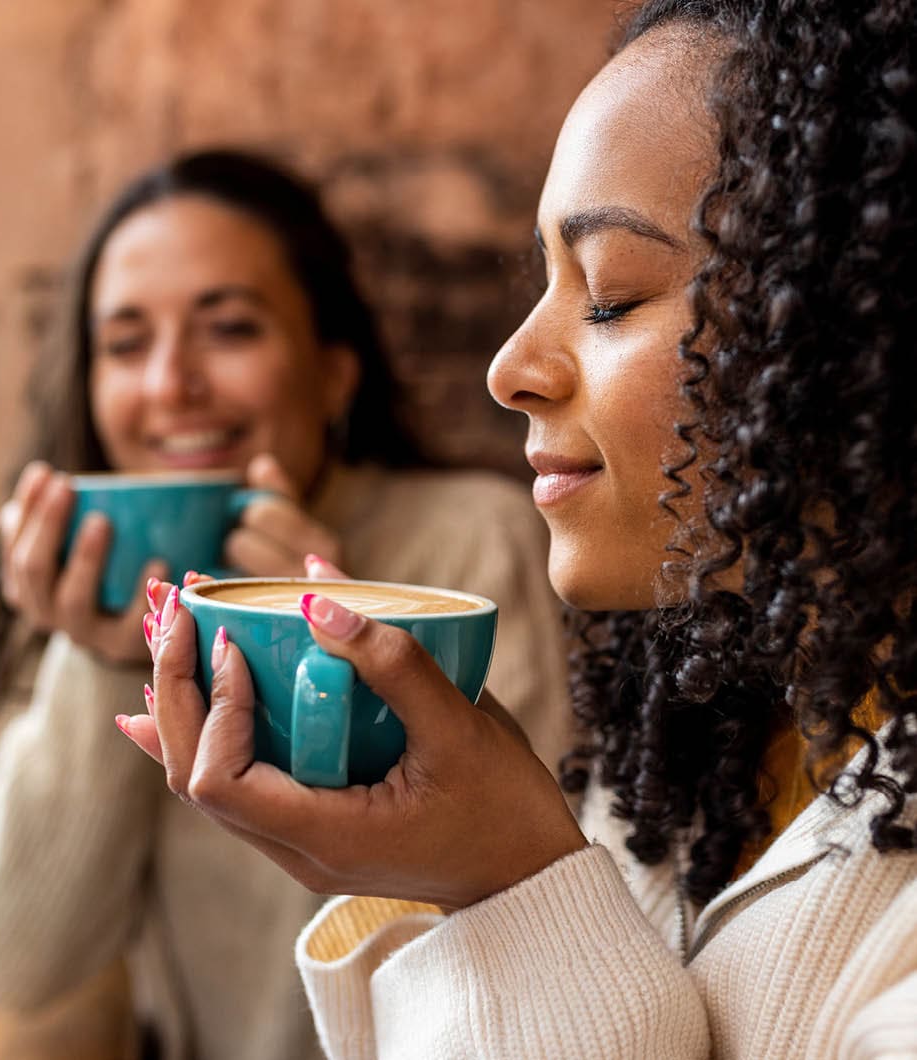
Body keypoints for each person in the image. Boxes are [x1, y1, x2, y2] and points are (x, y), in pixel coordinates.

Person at [124, 1, 917, 1057]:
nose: (510, 368)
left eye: (610, 297)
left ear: (855, 326)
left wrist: (509, 886)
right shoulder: (692, 757)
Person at [0, 148, 569, 1060]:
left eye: (229, 328)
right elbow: (12, 963)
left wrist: (313, 657)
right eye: (125, 344)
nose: (170, 384)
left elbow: (520, 936)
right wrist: (105, 659)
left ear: (332, 371)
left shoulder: (466, 548)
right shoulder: (47, 605)